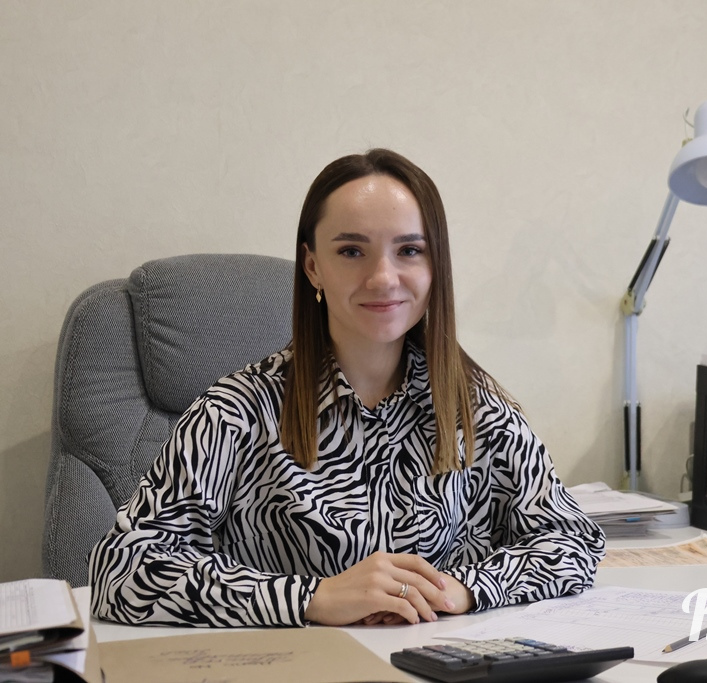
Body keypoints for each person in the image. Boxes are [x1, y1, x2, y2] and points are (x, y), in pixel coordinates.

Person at [88, 148, 605, 628]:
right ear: (313, 266)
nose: (383, 278)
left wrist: (464, 589)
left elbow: (574, 541)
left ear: (435, 267)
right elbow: (120, 570)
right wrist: (313, 597)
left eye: (409, 250)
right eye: (352, 251)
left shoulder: (475, 408)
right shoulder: (236, 412)